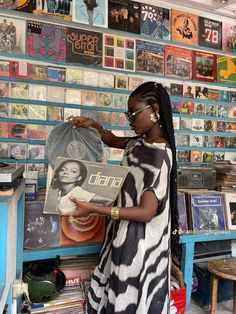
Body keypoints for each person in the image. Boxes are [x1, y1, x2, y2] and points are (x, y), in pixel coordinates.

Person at [69, 81, 178, 313]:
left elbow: (146, 212)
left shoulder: (159, 155)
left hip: (141, 246)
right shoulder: (138, 143)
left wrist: (95, 209)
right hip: (122, 234)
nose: (130, 119)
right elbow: (111, 140)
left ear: (155, 109)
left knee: (130, 299)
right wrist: (93, 125)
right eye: (127, 113)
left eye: (134, 112)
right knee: (115, 292)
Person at [44, 159, 112, 214]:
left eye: (73, 171)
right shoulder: (59, 191)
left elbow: (108, 201)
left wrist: (101, 218)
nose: (66, 172)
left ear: (79, 177)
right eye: (63, 170)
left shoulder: (78, 192)